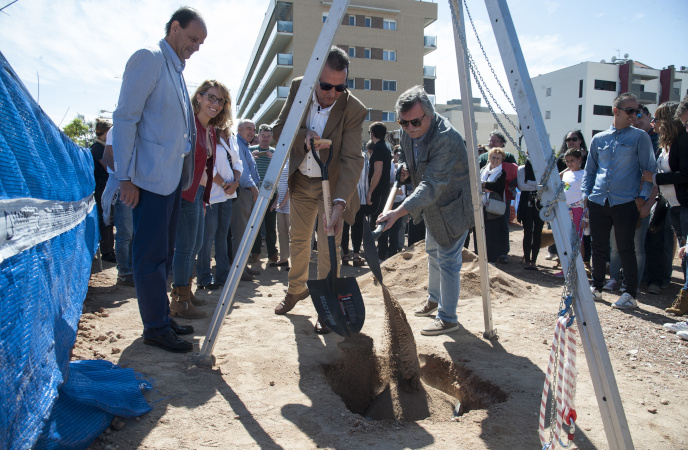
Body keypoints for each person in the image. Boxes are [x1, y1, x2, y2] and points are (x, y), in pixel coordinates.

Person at [112, 6, 207, 352]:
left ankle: (161, 316)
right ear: (175, 28)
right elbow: (125, 120)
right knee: (150, 257)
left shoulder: (177, 71)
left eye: (201, 43)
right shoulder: (149, 59)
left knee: (163, 254)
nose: (196, 46)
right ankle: (153, 327)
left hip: (169, 182)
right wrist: (125, 177)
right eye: (193, 38)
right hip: (146, 182)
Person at [271, 47, 366, 335]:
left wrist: (339, 204)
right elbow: (279, 131)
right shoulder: (299, 88)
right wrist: (303, 137)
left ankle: (328, 304)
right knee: (298, 239)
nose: (332, 93)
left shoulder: (354, 109)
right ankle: (296, 289)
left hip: (332, 187)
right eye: (326, 86)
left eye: (340, 87)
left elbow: (351, 159)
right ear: (316, 79)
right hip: (301, 180)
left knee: (327, 246)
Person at [377, 85, 474, 336]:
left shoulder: (447, 139)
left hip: (453, 206)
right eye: (403, 122)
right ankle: (434, 299)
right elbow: (416, 162)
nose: (408, 128)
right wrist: (407, 169)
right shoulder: (410, 128)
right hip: (431, 207)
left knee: (449, 260)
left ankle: (448, 317)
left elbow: (432, 183)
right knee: (432, 251)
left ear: (430, 114)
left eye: (415, 122)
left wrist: (398, 212)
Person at [584, 92, 656, 310]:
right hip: (599, 199)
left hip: (626, 202)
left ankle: (630, 293)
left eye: (638, 111)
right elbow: (590, 171)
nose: (635, 115)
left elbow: (649, 170)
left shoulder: (640, 137)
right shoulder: (599, 139)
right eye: (631, 111)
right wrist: (586, 196)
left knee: (626, 248)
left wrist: (641, 200)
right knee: (598, 246)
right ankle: (596, 287)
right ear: (616, 111)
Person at [170, 80, 228, 319]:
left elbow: (205, 167)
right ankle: (179, 302)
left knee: (195, 245)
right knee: (185, 248)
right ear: (199, 98)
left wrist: (203, 200)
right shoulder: (188, 124)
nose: (215, 104)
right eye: (211, 97)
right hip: (184, 193)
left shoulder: (211, 130)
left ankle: (187, 291)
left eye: (220, 100)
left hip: (199, 194)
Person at [643, 99, 688, 315]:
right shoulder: (666, 145)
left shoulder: (684, 141)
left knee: (682, 252)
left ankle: (682, 302)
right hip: (670, 204)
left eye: (657, 118)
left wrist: (655, 178)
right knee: (680, 252)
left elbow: (685, 175)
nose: (654, 123)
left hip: (684, 205)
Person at [197, 95, 242, 290]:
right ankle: (204, 278)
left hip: (228, 194)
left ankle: (223, 276)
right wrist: (225, 184)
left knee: (223, 236)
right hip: (212, 194)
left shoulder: (230, 137)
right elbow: (207, 166)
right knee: (207, 238)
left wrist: (236, 182)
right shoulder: (209, 133)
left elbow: (237, 162)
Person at [230, 119, 261, 281]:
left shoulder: (245, 146)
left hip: (247, 192)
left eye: (253, 130)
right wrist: (254, 189)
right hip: (243, 192)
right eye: (248, 129)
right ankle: (238, 270)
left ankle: (243, 266)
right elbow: (242, 169)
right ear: (239, 129)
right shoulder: (238, 143)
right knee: (240, 233)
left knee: (245, 233)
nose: (252, 132)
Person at [249, 124, 278, 264]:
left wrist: (275, 160)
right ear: (258, 136)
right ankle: (255, 253)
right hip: (254, 194)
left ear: (271, 137)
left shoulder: (276, 152)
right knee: (255, 226)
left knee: (271, 226)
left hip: (271, 194)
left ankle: (273, 253)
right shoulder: (250, 151)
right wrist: (250, 159)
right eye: (263, 136)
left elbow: (280, 174)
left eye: (268, 136)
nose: (265, 139)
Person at [366, 122, 392, 260]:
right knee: (380, 221)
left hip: (379, 192)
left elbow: (377, 172)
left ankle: (377, 253)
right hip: (383, 191)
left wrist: (370, 191)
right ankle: (380, 252)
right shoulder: (384, 147)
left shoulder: (379, 148)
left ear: (372, 133)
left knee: (377, 222)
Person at [91, 119, 114, 262]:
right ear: (106, 132)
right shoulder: (98, 149)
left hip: (106, 187)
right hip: (101, 188)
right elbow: (108, 167)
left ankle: (109, 250)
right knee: (105, 219)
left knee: (109, 219)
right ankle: (107, 252)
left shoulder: (102, 147)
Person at [480, 147, 507, 263]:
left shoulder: (502, 172)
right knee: (480, 233)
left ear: (501, 160)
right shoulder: (482, 170)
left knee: (492, 234)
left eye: (498, 158)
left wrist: (484, 185)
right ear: (489, 158)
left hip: (493, 208)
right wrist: (487, 186)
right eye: (493, 157)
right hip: (481, 205)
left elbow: (498, 187)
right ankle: (480, 257)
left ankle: (491, 260)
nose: (495, 160)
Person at [517, 159, 543, 270]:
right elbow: (522, 186)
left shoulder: (543, 169)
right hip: (526, 205)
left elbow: (546, 185)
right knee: (527, 232)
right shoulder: (522, 169)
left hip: (540, 204)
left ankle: (534, 261)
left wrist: (530, 183)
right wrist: (538, 186)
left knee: (538, 232)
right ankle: (527, 260)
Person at [270, 160, 291, 268]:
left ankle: (293, 262)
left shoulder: (293, 161)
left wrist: (283, 202)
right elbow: (280, 186)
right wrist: (275, 203)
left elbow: (292, 184)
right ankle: (284, 258)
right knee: (282, 233)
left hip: (291, 206)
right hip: (281, 207)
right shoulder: (283, 162)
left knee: (292, 234)